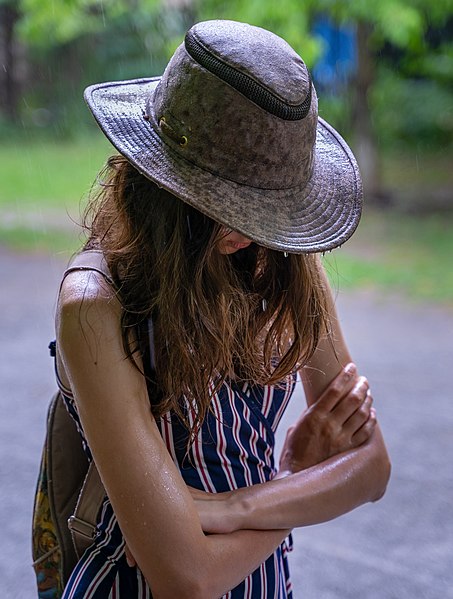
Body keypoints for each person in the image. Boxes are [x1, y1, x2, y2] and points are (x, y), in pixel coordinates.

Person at [55, 19, 390, 599]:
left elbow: (372, 469)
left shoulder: (283, 265)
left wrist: (230, 508)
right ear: (159, 183)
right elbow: (186, 576)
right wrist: (296, 483)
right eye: (222, 201)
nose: (249, 230)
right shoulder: (96, 304)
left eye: (263, 207)